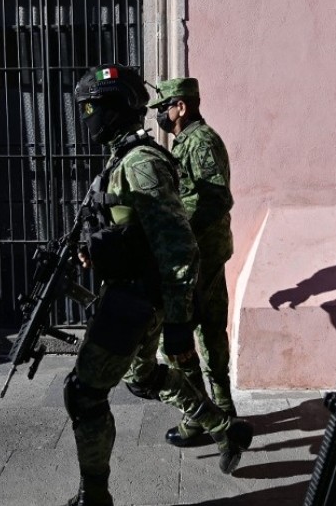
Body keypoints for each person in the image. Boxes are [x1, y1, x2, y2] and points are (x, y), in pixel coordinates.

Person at [64, 64, 253, 506]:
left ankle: (95, 495)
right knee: (142, 375)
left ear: (113, 109)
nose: (87, 118)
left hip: (139, 298)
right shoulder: (125, 156)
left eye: (91, 109)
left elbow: (179, 244)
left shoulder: (143, 161)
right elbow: (136, 230)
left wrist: (178, 321)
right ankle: (222, 427)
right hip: (132, 290)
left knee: (85, 393)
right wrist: (101, 249)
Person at [147, 77, 238, 447]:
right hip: (203, 251)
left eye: (164, 108)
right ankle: (219, 409)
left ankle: (203, 415)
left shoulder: (199, 141)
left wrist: (177, 229)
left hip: (201, 253)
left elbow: (216, 199)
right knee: (208, 329)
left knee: (182, 332)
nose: (160, 115)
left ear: (181, 107)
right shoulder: (189, 140)